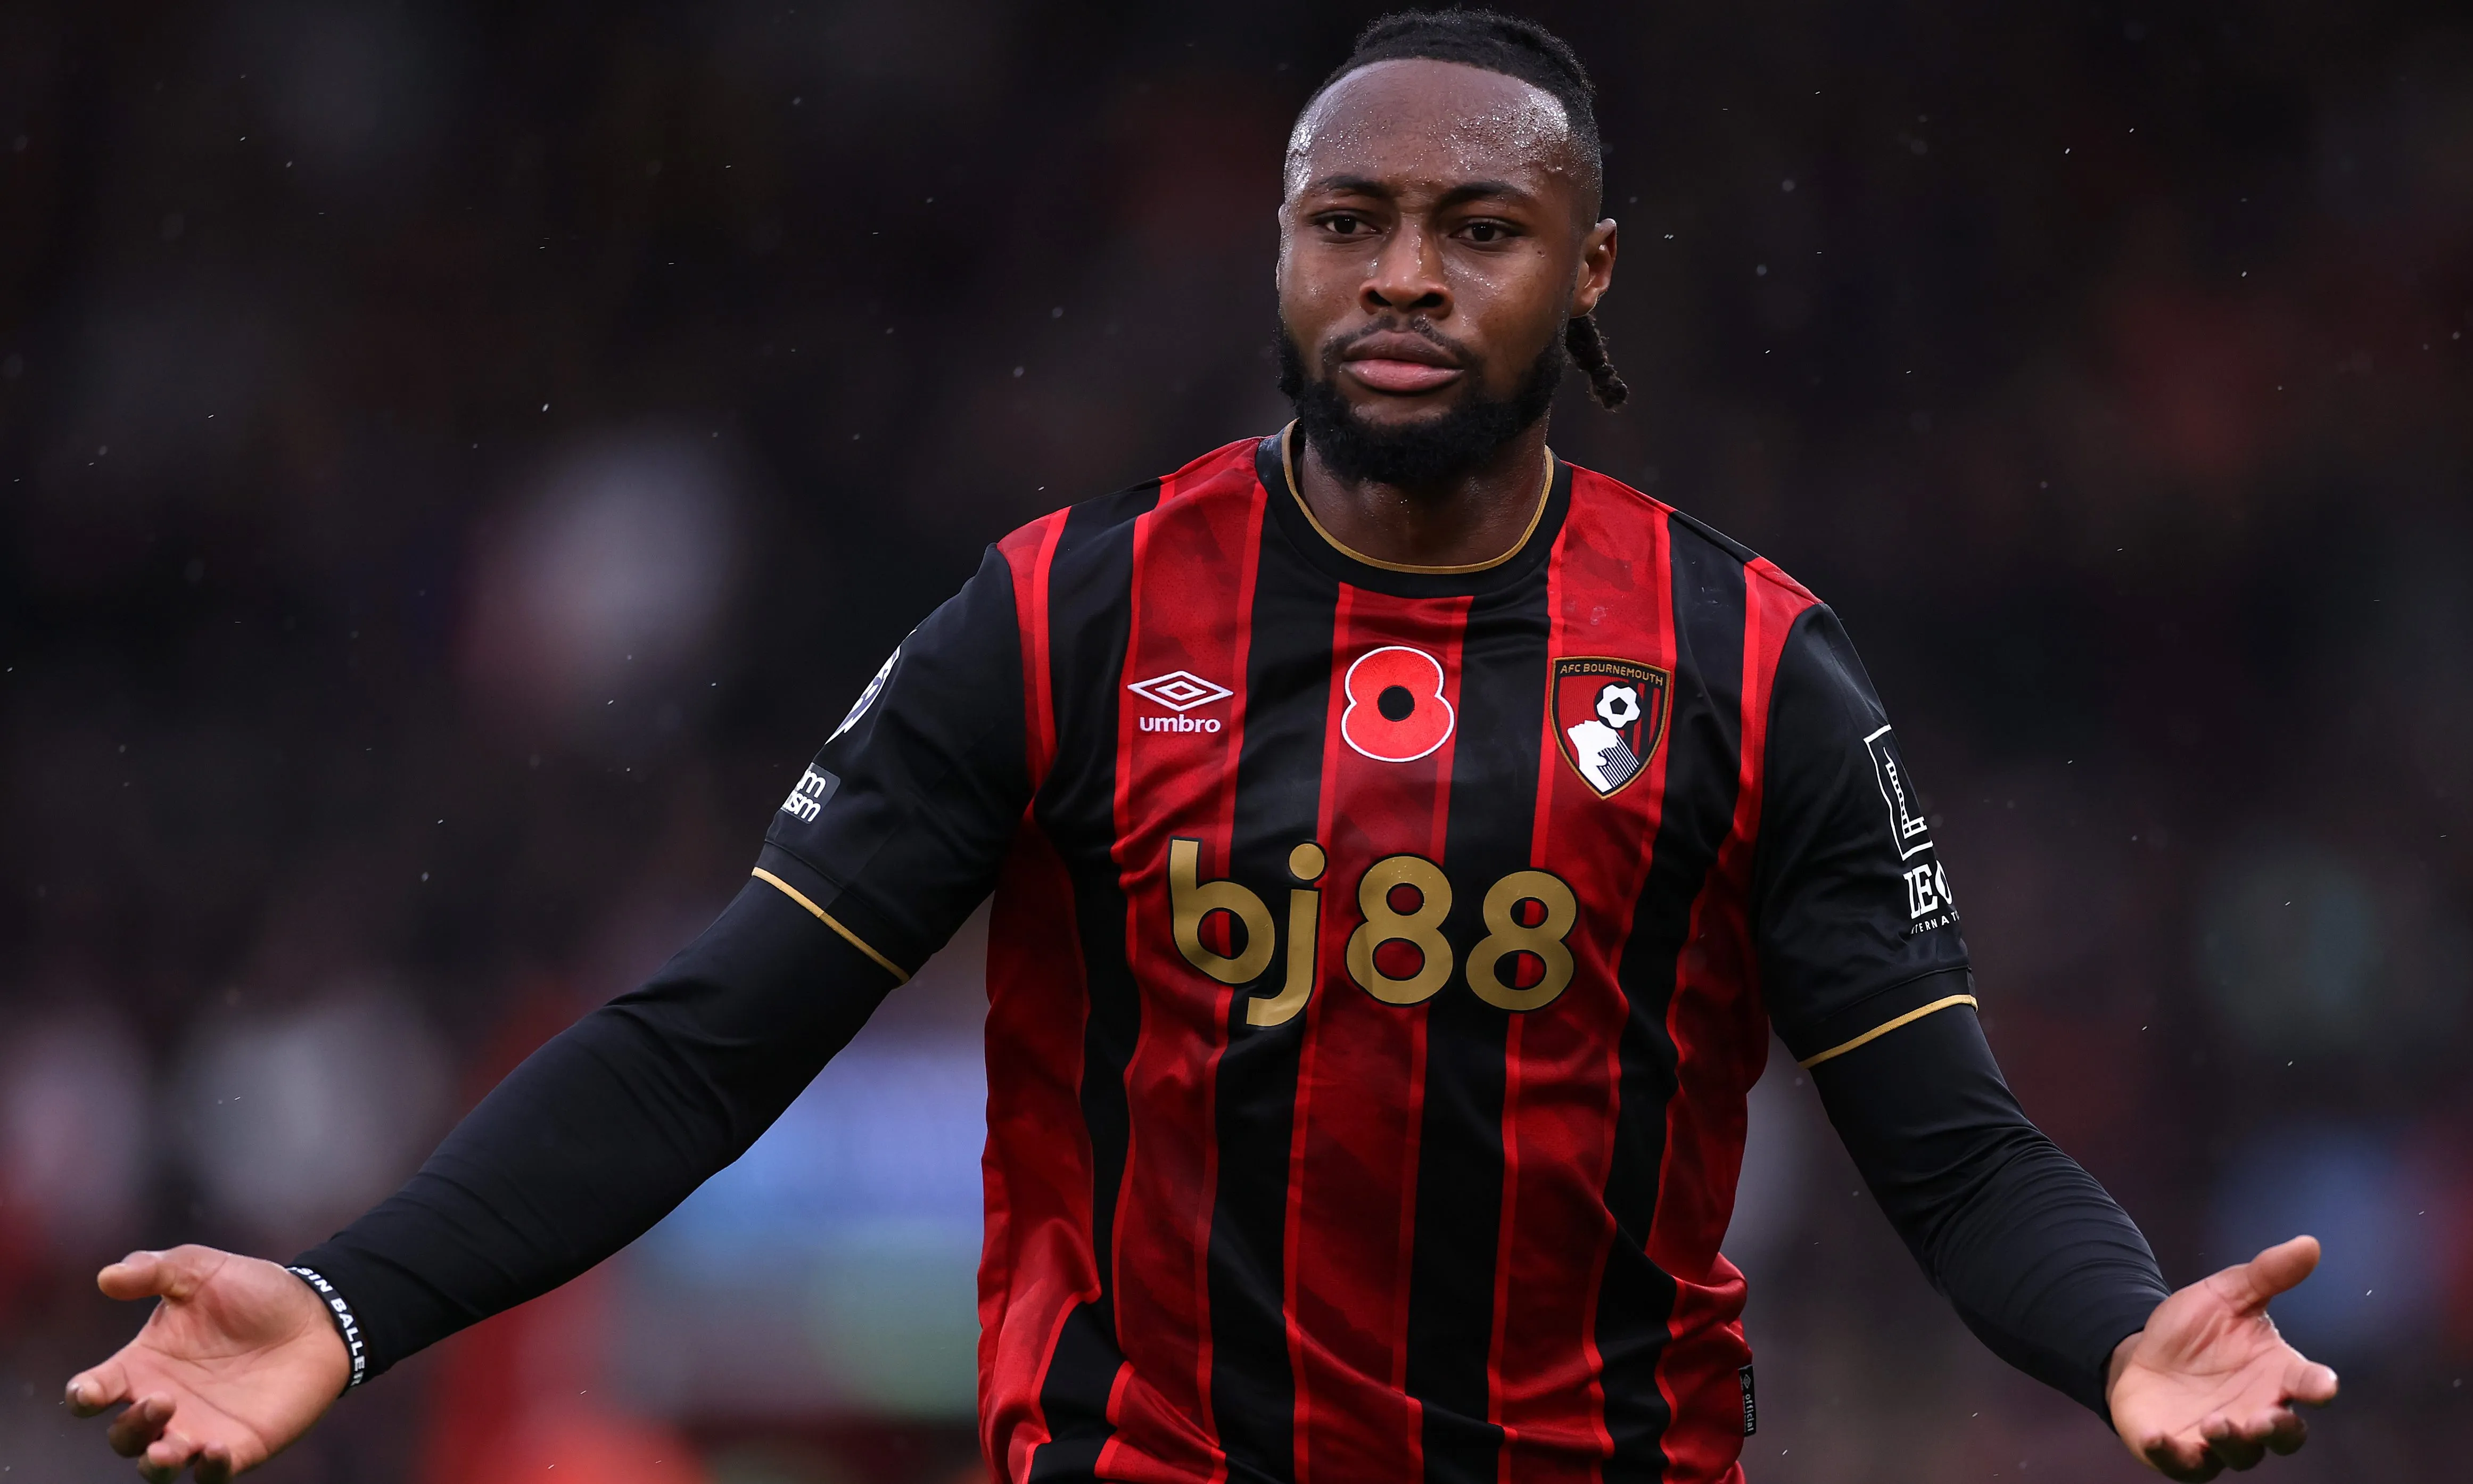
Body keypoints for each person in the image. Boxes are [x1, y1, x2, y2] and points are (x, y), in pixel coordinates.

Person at [68, 11, 2338, 1483]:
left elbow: (1949, 1150)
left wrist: (2120, 1336)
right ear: (1281, 253)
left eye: (1479, 228)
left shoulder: (1750, 663)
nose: (1404, 275)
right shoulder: (1062, 615)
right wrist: (352, 1300)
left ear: (1590, 271)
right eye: (1351, 223)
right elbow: (708, 1039)